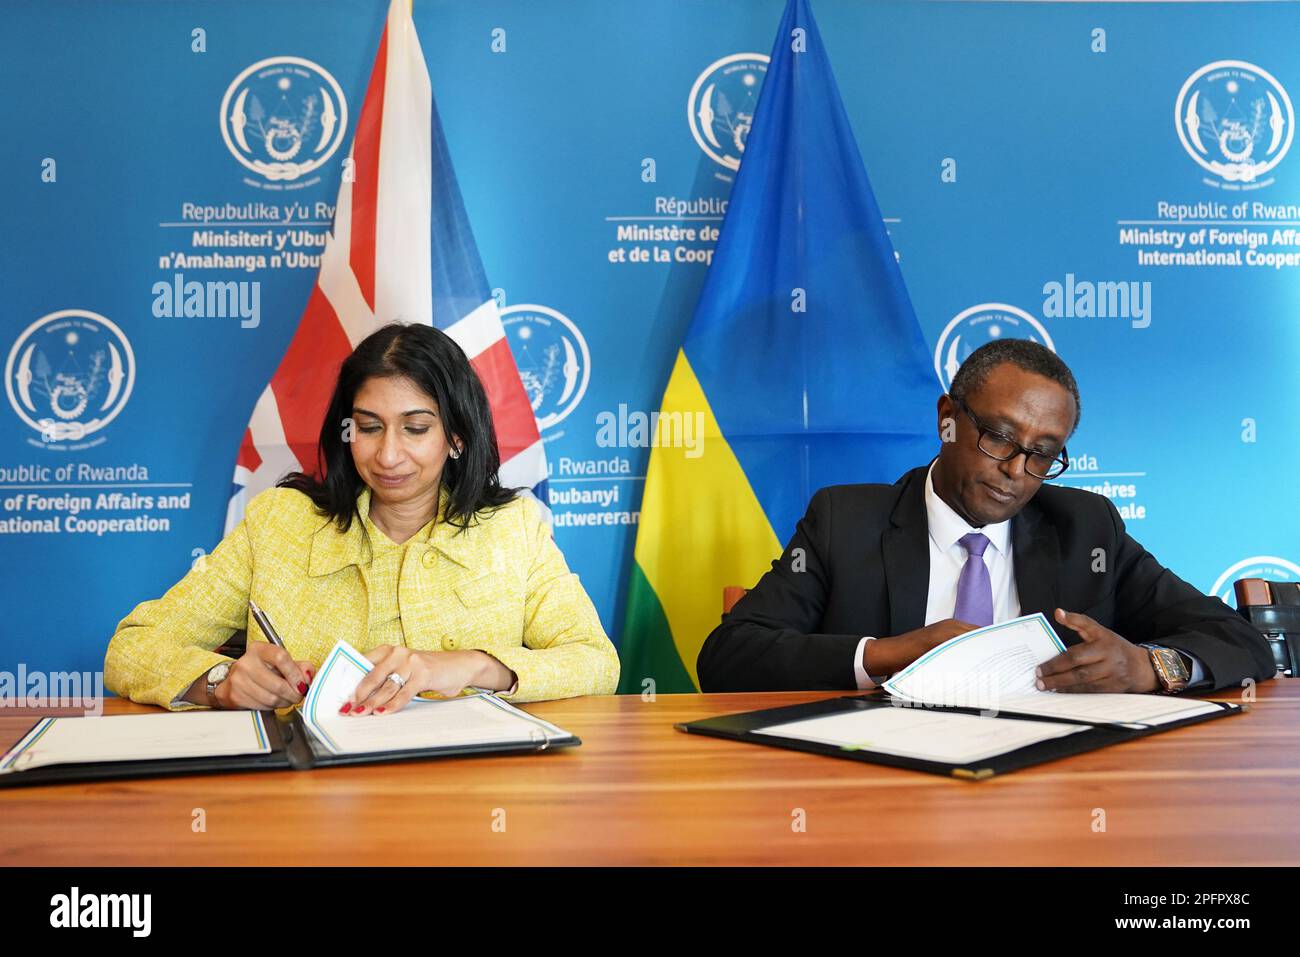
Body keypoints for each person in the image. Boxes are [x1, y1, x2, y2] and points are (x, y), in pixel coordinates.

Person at [697, 339, 1276, 695]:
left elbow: (1241, 641)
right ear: (948, 418)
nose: (1018, 471)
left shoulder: (1086, 529)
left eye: (1043, 452)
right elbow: (728, 658)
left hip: (1046, 792)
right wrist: (891, 654)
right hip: (882, 788)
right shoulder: (844, 520)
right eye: (999, 437)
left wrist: (1150, 666)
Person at [105, 322, 619, 714]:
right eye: (369, 428)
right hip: (307, 808)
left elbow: (597, 661)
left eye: (416, 429)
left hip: (466, 802)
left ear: (457, 437)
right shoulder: (280, 524)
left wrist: (475, 665)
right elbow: (130, 646)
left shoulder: (514, 529)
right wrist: (218, 683)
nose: (388, 455)